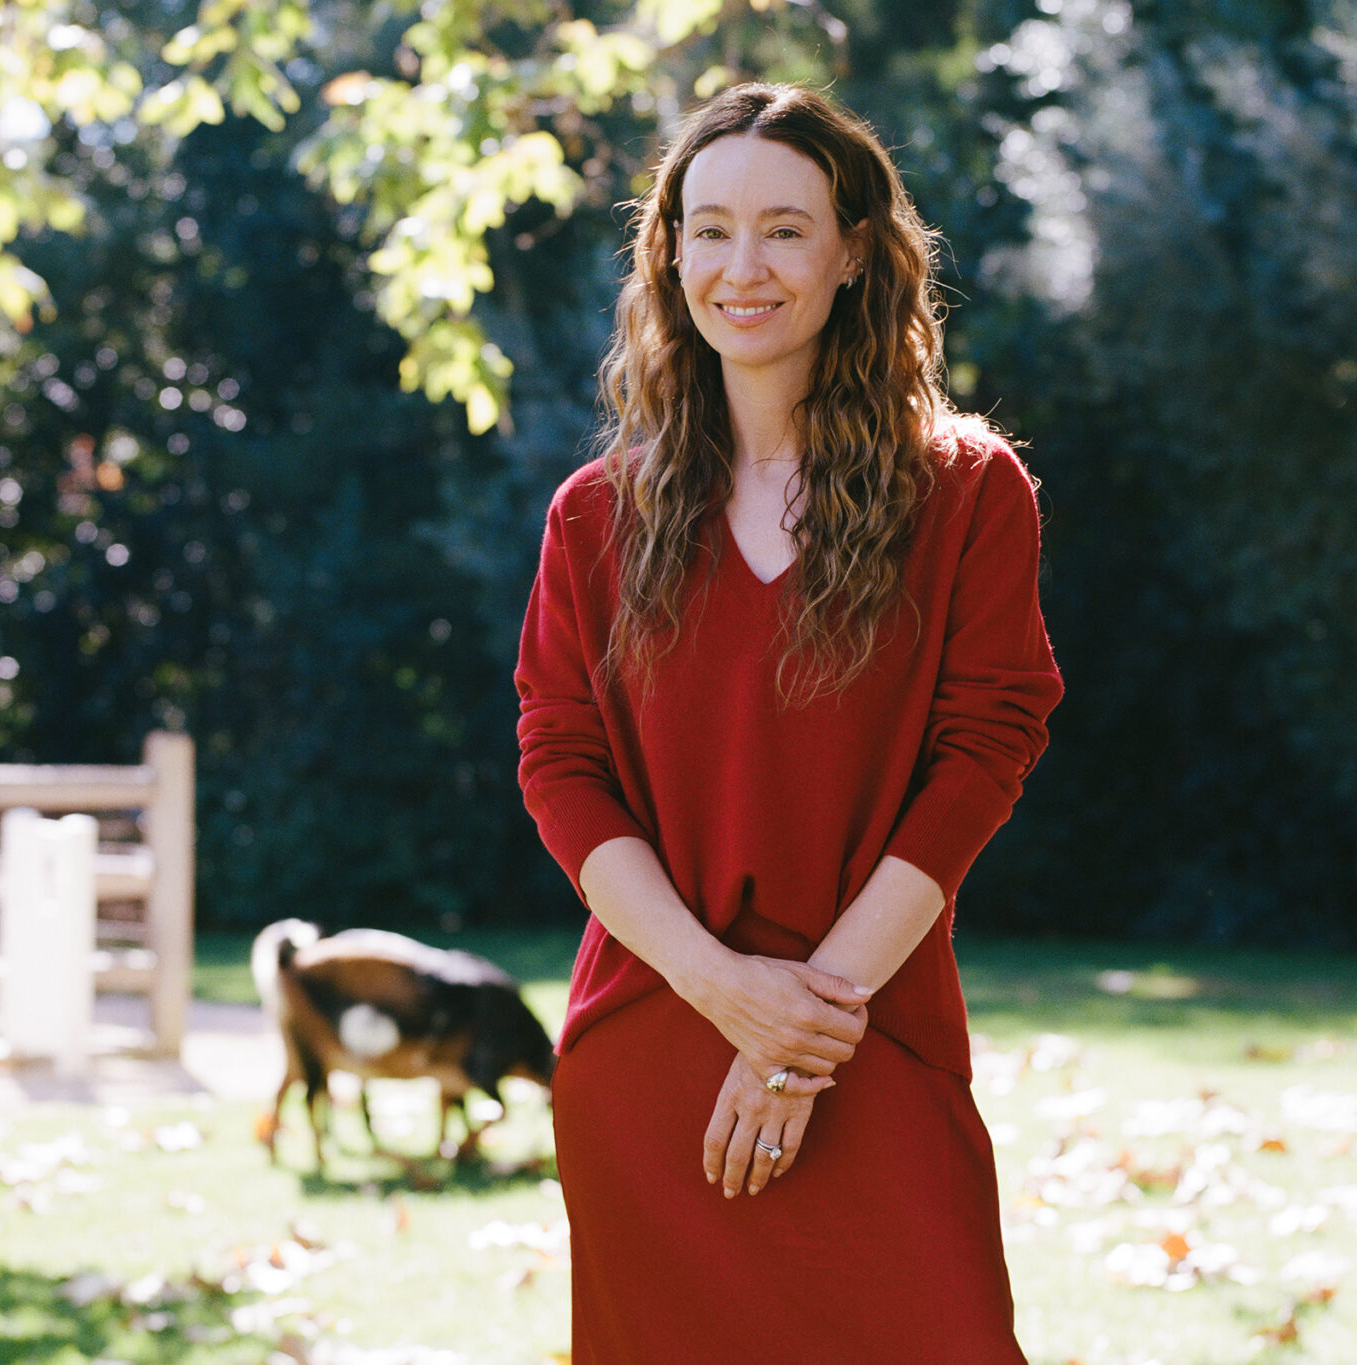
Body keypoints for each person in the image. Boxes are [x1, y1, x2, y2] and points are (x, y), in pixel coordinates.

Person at [513, 82, 1064, 1362]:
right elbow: (561, 766)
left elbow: (985, 752)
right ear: (667, 257)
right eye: (706, 230)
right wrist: (723, 993)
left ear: (853, 251)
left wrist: (801, 1030)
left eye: (783, 228)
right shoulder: (594, 517)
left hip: (872, 1032)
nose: (740, 266)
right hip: (655, 1049)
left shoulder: (970, 493)